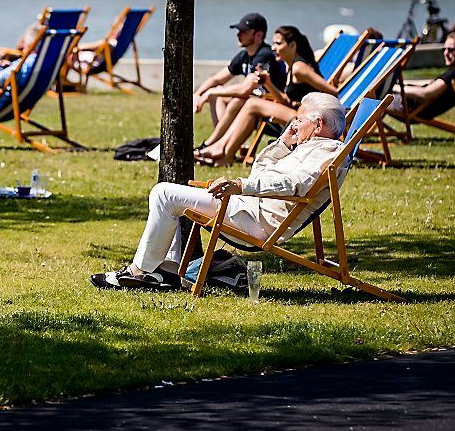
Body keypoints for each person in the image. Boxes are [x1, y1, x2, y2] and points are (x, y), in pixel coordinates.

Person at [91, 93, 348, 291]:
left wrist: (240, 185)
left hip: (255, 219)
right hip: (246, 207)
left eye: (298, 120)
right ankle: (165, 271)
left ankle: (140, 272)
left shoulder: (327, 153)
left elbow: (294, 186)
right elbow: (260, 168)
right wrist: (282, 143)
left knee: (164, 194)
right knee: (168, 197)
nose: (293, 125)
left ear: (317, 123)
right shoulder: (307, 147)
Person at [197, 25, 336, 167]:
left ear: (292, 45)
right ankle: (226, 156)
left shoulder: (299, 68)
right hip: (293, 112)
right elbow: (285, 100)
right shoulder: (290, 66)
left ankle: (220, 148)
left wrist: (310, 107)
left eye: (278, 43)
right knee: (250, 109)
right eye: (274, 43)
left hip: (302, 117)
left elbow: (333, 91)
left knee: (251, 103)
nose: (273, 48)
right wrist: (268, 83)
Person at [193, 13, 286, 150]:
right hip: (255, 101)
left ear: (258, 35)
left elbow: (245, 89)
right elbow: (217, 78)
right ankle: (220, 144)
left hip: (272, 106)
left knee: (235, 100)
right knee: (217, 98)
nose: (238, 34)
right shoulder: (244, 55)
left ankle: (210, 145)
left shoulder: (264, 54)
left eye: (244, 31)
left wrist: (212, 91)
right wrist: (198, 94)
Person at [393, 32, 455, 120]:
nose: (445, 53)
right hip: (412, 105)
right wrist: (403, 82)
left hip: (409, 108)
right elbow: (432, 83)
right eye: (444, 49)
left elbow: (425, 93)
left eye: (450, 50)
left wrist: (394, 87)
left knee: (379, 97)